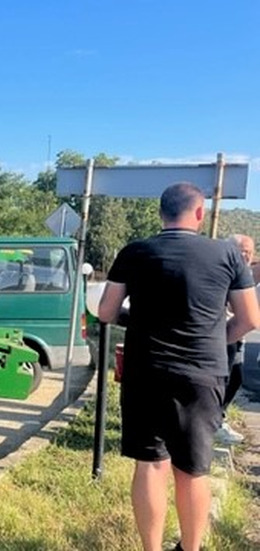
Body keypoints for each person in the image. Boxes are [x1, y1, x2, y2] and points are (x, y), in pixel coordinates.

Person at [98, 182, 260, 551]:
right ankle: (190, 548)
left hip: (146, 372)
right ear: (200, 213)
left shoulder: (135, 252)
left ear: (161, 213)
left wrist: (137, 317)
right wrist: (216, 340)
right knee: (192, 470)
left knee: (150, 464)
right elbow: (250, 319)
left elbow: (106, 312)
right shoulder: (229, 255)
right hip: (203, 374)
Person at [216, 233, 256, 445]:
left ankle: (219, 418)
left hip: (236, 333)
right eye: (242, 251)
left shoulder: (246, 273)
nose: (246, 256)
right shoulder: (221, 269)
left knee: (236, 377)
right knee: (221, 378)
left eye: (249, 252)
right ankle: (214, 423)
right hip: (220, 332)